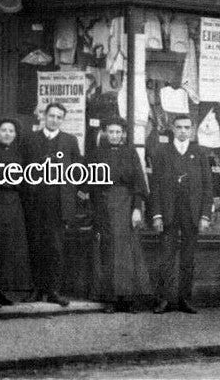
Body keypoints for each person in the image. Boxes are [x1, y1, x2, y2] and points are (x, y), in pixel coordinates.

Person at [149, 112, 213, 314]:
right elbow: (156, 185)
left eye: (187, 128)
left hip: (191, 214)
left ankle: (185, 299)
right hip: (169, 213)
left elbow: (207, 187)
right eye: (179, 127)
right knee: (166, 257)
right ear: (173, 129)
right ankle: (164, 300)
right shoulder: (162, 151)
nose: (183, 131)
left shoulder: (200, 153)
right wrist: (157, 214)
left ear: (192, 130)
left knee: (188, 259)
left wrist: (205, 215)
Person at [20, 102, 83, 306]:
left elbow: (77, 171)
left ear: (62, 120)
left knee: (55, 248)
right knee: (36, 246)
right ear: (44, 116)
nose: (54, 120)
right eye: (51, 116)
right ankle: (36, 289)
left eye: (58, 117)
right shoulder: (30, 139)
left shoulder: (70, 141)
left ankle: (54, 290)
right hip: (35, 202)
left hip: (58, 204)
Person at [88, 118, 150, 313]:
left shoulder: (130, 152)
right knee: (108, 250)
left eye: (118, 132)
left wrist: (137, 208)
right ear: (106, 133)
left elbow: (139, 183)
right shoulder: (97, 153)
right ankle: (110, 298)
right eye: (111, 132)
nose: (114, 135)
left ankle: (129, 298)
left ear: (123, 134)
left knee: (127, 251)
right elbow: (90, 183)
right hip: (104, 205)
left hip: (126, 204)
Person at [0, 118, 31, 309]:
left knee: (9, 246)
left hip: (13, 203)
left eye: (11, 131)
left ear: (16, 134)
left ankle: (3, 289)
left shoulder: (20, 154)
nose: (7, 134)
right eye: (4, 130)